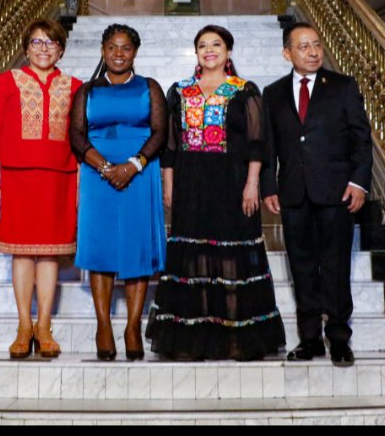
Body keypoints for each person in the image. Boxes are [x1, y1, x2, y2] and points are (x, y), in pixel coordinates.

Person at [146, 25, 286, 361]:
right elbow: (171, 144)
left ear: (228, 51)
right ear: (196, 52)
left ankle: (236, 338)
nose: (209, 50)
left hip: (232, 183)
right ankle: (193, 339)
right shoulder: (179, 91)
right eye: (203, 45)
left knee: (232, 258)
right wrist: (169, 183)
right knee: (191, 258)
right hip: (190, 185)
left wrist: (252, 183)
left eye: (216, 44)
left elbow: (257, 143)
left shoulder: (244, 90)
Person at [261, 22, 372, 367]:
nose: (312, 52)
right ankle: (309, 339)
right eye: (304, 46)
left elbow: (361, 138)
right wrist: (269, 187)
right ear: (287, 53)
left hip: (337, 192)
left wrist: (359, 182)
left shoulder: (342, 86)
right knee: (302, 267)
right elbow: (268, 146)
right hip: (293, 193)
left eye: (317, 45)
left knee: (336, 266)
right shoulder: (273, 93)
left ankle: (338, 338)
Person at [0, 18, 82, 359]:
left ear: (61, 50)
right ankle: (24, 325)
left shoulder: (75, 86)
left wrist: (79, 184)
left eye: (51, 42)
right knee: (22, 252)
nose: (44, 48)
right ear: (26, 48)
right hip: (17, 177)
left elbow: (80, 141)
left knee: (50, 253)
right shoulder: (5, 82)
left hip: (60, 178)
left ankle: (44, 326)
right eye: (37, 42)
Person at [71, 24, 167, 361]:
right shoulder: (87, 91)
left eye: (126, 47)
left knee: (137, 246)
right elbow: (77, 135)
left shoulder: (150, 87)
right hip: (97, 172)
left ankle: (133, 327)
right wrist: (104, 167)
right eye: (112, 47)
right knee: (101, 247)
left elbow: (160, 132)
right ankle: (103, 326)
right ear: (103, 50)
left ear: (135, 52)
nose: (118, 54)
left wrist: (132, 165)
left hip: (140, 172)